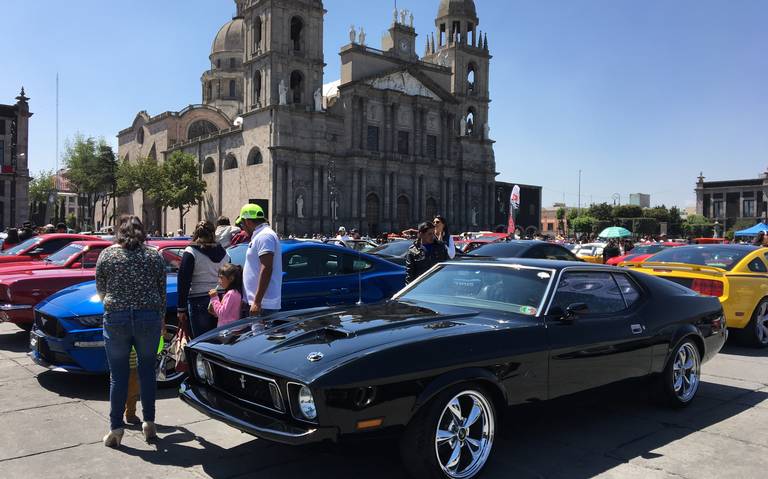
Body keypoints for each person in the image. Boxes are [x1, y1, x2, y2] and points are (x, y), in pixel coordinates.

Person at [95, 215, 166, 447]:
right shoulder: (154, 255)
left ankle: (116, 429)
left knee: (118, 375)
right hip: (148, 317)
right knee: (147, 371)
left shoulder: (107, 255)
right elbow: (161, 291)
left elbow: (101, 289)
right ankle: (149, 422)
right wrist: (160, 318)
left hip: (116, 317)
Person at [177, 221, 230, 338]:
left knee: (201, 343)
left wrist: (181, 308)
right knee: (220, 341)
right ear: (213, 233)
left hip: (199, 301)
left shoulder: (191, 252)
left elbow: (183, 281)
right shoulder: (225, 253)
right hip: (221, 300)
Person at [238, 204, 283, 317]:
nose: (242, 227)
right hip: (260, 304)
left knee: (259, 335)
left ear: (248, 222)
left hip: (263, 305)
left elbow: (266, 268)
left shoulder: (265, 236)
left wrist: (257, 302)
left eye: (242, 224)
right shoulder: (261, 235)